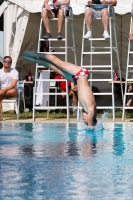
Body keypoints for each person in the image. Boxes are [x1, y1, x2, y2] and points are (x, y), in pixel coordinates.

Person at [22, 51, 97, 127]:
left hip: (76, 79)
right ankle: (35, 54)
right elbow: (91, 121)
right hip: (81, 73)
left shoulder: (86, 110)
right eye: (86, 121)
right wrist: (90, 126)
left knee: (55, 68)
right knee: (59, 63)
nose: (84, 120)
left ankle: (33, 60)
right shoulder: (91, 108)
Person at [0, 56, 19, 120]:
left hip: (11, 91)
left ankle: (0, 116)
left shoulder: (14, 72)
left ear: (11, 63)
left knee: (13, 90)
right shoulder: (0, 72)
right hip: (2, 91)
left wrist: (3, 90)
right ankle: (0, 116)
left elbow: (13, 85)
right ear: (3, 62)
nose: (7, 63)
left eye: (9, 62)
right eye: (6, 61)